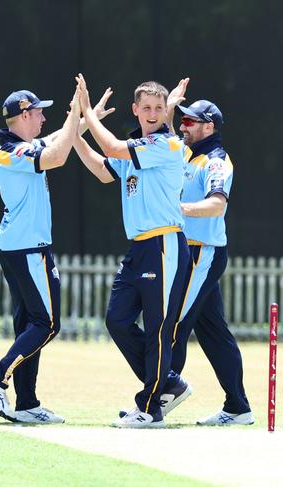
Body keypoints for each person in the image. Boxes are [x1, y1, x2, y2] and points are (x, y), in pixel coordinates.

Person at [72, 74, 190, 428]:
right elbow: (104, 169)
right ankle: (167, 384)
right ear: (136, 110)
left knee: (157, 328)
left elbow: (110, 148)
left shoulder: (166, 147)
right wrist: (75, 132)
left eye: (159, 108)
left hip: (165, 244)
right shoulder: (138, 149)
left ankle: (151, 408)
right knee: (117, 320)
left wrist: (87, 113)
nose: (153, 113)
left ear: (164, 112)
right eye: (147, 107)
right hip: (139, 248)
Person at [0, 84, 82, 424]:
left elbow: (58, 140)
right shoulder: (10, 152)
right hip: (28, 248)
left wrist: (86, 118)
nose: (43, 118)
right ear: (24, 115)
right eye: (38, 113)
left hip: (18, 247)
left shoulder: (23, 146)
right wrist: (78, 113)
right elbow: (58, 155)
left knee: (29, 327)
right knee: (47, 325)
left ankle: (27, 403)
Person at [160, 94, 253, 426]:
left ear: (209, 127)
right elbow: (165, 131)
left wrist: (179, 209)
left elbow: (217, 205)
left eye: (190, 122)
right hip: (190, 251)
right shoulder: (188, 153)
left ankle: (157, 399)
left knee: (174, 325)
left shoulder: (216, 161)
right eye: (183, 121)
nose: (183, 127)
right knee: (213, 331)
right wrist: (169, 106)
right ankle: (238, 407)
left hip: (204, 252)